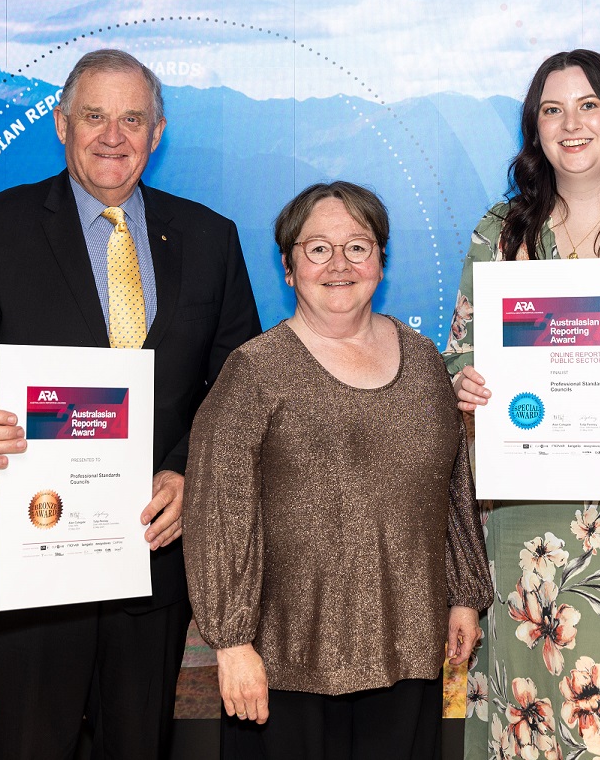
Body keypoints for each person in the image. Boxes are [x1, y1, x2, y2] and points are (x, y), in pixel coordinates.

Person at [0, 48, 261, 759]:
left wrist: (187, 471)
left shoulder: (209, 237)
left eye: (132, 119)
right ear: (60, 124)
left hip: (150, 554)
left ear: (158, 132)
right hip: (31, 552)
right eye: (95, 116)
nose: (114, 136)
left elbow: (237, 389)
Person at [183, 181, 491, 760]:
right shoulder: (254, 371)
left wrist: (463, 595)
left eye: (358, 246)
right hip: (283, 666)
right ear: (288, 265)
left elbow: (451, 486)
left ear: (381, 259)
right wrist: (231, 644)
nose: (339, 264)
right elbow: (215, 513)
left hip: (410, 654)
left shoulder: (424, 359)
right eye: (318, 248)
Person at [445, 50, 600, 760]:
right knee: (531, 712)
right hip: (526, 518)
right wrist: (465, 385)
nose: (571, 123)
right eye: (551, 110)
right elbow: (461, 349)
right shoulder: (500, 232)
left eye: (588, 105)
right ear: (534, 131)